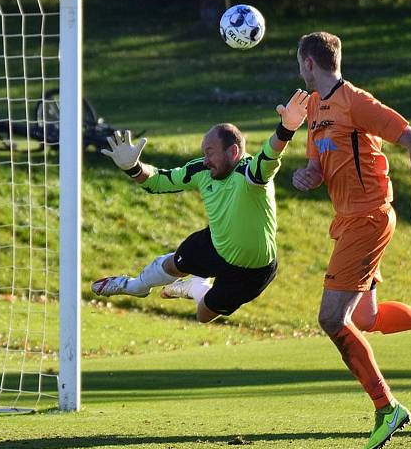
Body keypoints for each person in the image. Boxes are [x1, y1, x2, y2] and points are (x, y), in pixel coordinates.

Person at [282, 31, 411, 449]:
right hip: (346, 221)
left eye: (299, 63)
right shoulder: (313, 108)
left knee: (332, 318)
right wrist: (306, 176)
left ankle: (387, 407)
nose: (299, 70)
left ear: (309, 63)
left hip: (368, 219)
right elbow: (317, 164)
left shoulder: (356, 101)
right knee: (364, 318)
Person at [91, 106, 307, 322]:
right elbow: (157, 181)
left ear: (232, 152)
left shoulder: (250, 173)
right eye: (204, 153)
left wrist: (286, 128)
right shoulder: (202, 171)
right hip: (216, 243)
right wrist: (133, 167)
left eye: (210, 153)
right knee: (173, 265)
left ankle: (195, 288)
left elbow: (269, 155)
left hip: (253, 271)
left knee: (203, 315)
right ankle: (134, 286)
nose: (205, 160)